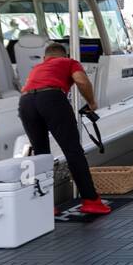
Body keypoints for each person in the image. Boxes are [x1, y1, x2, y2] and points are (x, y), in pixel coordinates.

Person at [18, 42, 110, 215]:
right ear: (64, 56)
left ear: (45, 58)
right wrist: (91, 102)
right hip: (52, 98)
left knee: (41, 155)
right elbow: (81, 80)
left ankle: (46, 205)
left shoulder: (37, 68)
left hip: (25, 102)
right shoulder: (69, 62)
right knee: (72, 150)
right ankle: (91, 201)